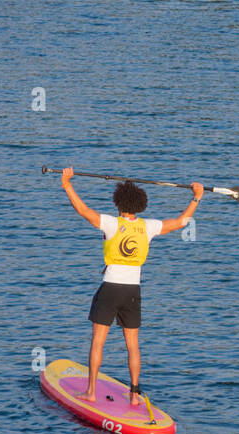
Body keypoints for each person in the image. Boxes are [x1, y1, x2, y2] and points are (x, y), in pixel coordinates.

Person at [60, 167, 203, 405]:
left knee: (98, 342)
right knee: (133, 345)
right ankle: (135, 395)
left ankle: (91, 392)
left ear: (118, 203)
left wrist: (67, 184)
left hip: (110, 288)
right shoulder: (148, 227)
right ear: (140, 205)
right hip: (133, 291)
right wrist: (196, 196)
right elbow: (181, 222)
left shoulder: (110, 223)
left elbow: (82, 210)